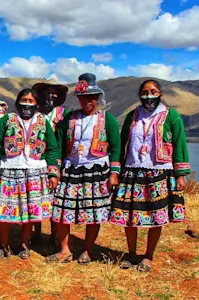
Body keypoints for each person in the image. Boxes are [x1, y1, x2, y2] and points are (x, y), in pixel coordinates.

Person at [111, 79, 190, 272]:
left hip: (159, 171)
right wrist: (116, 169)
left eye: (153, 91)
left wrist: (181, 174)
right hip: (132, 170)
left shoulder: (171, 116)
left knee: (156, 214)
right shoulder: (133, 116)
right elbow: (122, 144)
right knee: (130, 215)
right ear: (140, 95)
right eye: (145, 92)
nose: (149, 95)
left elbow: (180, 144)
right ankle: (131, 253)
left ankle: (148, 256)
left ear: (160, 94)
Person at [47, 73, 121, 264]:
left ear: (97, 98)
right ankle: (65, 250)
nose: (87, 101)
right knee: (62, 211)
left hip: (97, 171)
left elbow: (116, 147)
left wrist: (114, 173)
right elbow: (57, 146)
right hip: (71, 170)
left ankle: (87, 250)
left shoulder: (108, 120)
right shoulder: (69, 119)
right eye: (83, 97)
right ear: (78, 98)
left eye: (91, 97)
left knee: (94, 213)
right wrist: (54, 171)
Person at [0, 88, 60, 260]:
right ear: (18, 102)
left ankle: (23, 245)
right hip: (9, 170)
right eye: (24, 100)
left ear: (36, 104)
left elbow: (52, 148)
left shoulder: (42, 122)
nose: (27, 104)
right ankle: (4, 246)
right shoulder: (7, 120)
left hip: (35, 171)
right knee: (3, 213)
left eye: (31, 101)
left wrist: (52, 172)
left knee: (29, 212)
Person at [32, 80, 69, 245]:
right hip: (36, 160)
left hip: (58, 161)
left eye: (55, 94)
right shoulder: (33, 113)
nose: (51, 96)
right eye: (48, 93)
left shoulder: (63, 115)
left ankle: (55, 234)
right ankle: (36, 233)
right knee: (35, 197)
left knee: (56, 199)